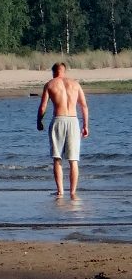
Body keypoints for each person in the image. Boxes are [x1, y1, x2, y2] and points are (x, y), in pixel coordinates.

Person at [37, 62, 89, 199]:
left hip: (58, 120)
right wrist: (85, 126)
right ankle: (73, 192)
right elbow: (84, 106)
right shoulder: (75, 84)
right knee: (73, 160)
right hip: (73, 120)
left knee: (57, 158)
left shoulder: (50, 84)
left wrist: (39, 121)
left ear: (53, 72)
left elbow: (43, 107)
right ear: (64, 71)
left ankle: (60, 191)